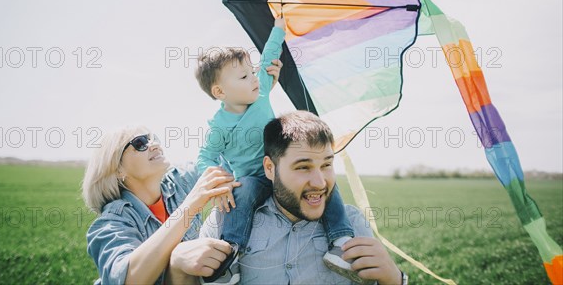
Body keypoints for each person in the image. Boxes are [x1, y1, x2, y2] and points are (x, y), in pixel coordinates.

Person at [194, 19, 356, 283]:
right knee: (241, 191)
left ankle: (341, 240)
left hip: (284, 172)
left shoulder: (260, 93)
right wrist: (220, 182)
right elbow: (205, 158)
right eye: (244, 76)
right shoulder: (218, 127)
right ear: (220, 91)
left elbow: (269, 54)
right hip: (255, 178)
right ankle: (230, 253)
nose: (254, 78)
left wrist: (279, 27)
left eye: (253, 71)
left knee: (325, 184)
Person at [199, 111, 406, 285]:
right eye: (303, 167)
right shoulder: (226, 221)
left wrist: (394, 279)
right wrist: (178, 269)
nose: (320, 182)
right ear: (270, 168)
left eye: (326, 165)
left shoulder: (352, 225)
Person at [82, 126, 239, 285]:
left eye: (153, 138)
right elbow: (128, 279)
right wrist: (191, 204)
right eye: (140, 143)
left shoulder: (179, 181)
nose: (154, 145)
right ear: (117, 169)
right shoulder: (112, 222)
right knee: (179, 256)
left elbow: (232, 162)